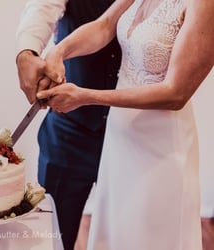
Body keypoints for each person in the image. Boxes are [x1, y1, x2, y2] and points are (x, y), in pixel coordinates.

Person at [36, 0, 214, 249]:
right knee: (116, 233)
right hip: (119, 143)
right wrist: (59, 51)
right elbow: (104, 26)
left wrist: (86, 96)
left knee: (149, 235)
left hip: (160, 149)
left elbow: (175, 94)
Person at [15, 1, 121, 248]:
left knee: (127, 232)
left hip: (132, 135)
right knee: (53, 234)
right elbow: (41, 8)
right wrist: (26, 52)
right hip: (68, 132)